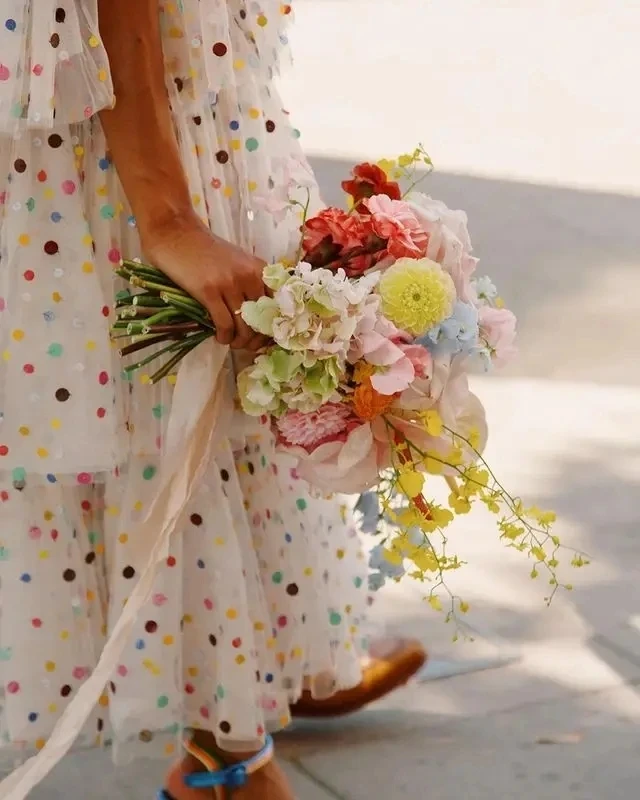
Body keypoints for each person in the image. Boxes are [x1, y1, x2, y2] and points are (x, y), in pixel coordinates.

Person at [0, 2, 425, 798]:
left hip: (171, 102)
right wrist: (168, 217)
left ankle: (249, 688)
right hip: (121, 132)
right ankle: (232, 739)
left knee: (201, 419)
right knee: (180, 415)